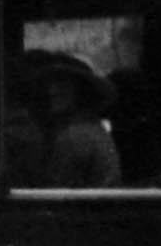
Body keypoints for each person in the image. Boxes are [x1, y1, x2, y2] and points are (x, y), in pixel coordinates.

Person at [29, 53, 122, 187]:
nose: (52, 91)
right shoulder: (90, 128)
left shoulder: (75, 136)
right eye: (50, 83)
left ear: (81, 89)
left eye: (63, 83)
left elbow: (56, 196)